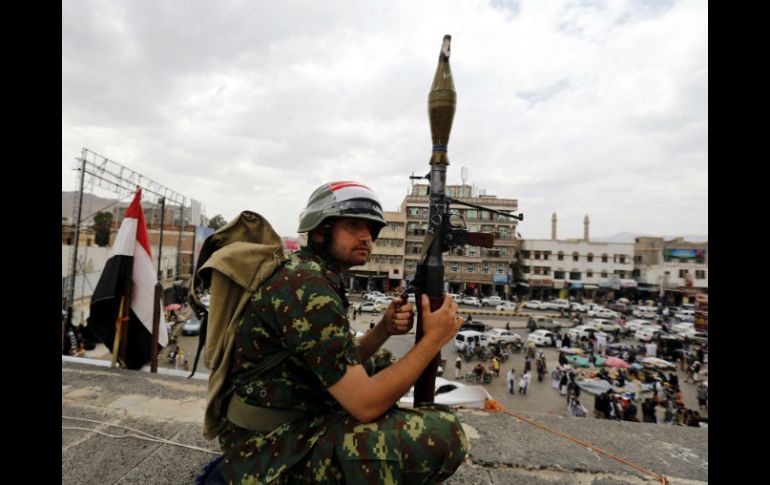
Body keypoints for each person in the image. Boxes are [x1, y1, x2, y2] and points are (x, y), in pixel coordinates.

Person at [218, 181, 467, 483]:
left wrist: (384, 330)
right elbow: (365, 405)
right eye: (353, 226)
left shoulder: (309, 272)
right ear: (321, 230)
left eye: (371, 230)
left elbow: (338, 358)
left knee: (383, 361)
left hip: (286, 417)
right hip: (266, 451)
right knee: (446, 433)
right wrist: (433, 340)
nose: (366, 237)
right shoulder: (307, 287)